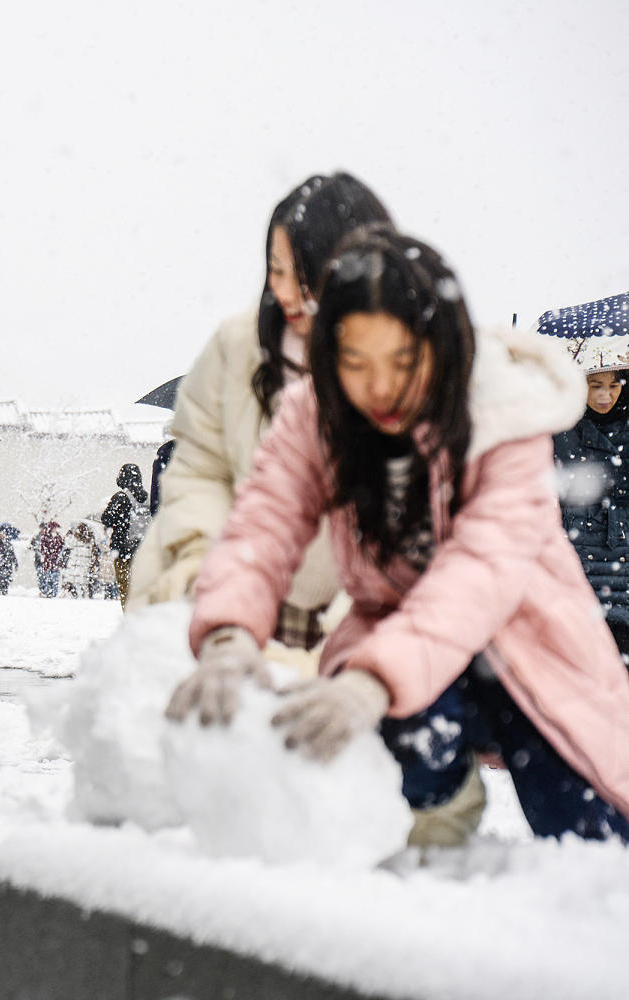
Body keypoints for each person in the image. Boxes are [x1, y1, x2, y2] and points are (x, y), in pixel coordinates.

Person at [173, 226, 629, 845]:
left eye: (402, 362)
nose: (378, 386)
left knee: (589, 833)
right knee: (405, 755)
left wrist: (372, 680)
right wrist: (228, 633)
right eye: (355, 362)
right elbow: (264, 524)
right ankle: (440, 806)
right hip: (404, 645)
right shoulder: (318, 412)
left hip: (530, 641)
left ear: (442, 348)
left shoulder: (504, 414)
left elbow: (480, 573)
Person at [131, 173, 393, 659]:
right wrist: (202, 573)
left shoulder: (407, 363)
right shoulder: (238, 347)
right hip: (241, 600)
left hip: (369, 622)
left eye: (309, 273)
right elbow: (197, 472)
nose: (289, 293)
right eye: (278, 270)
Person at [551, 362, 629, 655]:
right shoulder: (558, 428)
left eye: (613, 385)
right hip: (577, 558)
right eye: (595, 386)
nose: (605, 396)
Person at [101, 463, 150, 609]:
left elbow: (106, 519)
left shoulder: (121, 497)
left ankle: (131, 622)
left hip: (124, 552)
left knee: (126, 590)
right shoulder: (148, 497)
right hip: (144, 552)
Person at [29, 521, 65, 598]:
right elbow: (43, 548)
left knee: (55, 578)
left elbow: (61, 548)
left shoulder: (58, 537)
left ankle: (54, 592)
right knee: (47, 577)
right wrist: (48, 554)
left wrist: (57, 555)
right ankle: (47, 591)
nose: (55, 530)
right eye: (54, 528)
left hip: (55, 561)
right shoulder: (45, 537)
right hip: (48, 561)